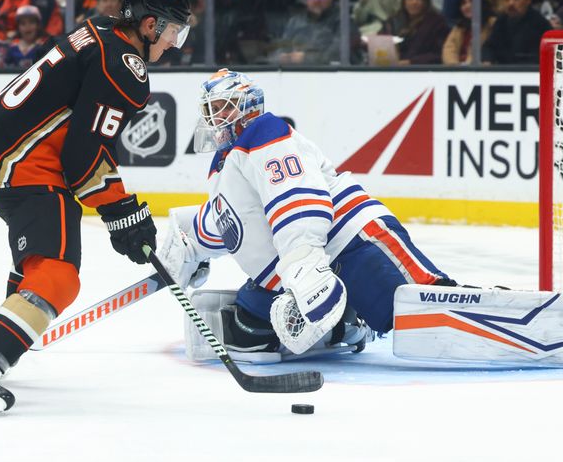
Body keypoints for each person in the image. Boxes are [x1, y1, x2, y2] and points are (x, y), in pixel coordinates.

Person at [0, 0, 190, 416]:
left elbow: (83, 146)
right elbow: (84, 156)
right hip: (23, 166)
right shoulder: (126, 67)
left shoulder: (98, 30)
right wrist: (121, 211)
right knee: (58, 274)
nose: (173, 42)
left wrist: (119, 210)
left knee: (44, 253)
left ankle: (12, 322)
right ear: (149, 25)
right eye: (172, 30)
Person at [156, 68, 455, 361]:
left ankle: (464, 309)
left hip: (349, 242)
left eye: (223, 107)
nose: (214, 117)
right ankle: (344, 323)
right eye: (211, 109)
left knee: (415, 309)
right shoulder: (224, 166)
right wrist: (190, 242)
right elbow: (236, 220)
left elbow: (296, 197)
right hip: (296, 275)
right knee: (248, 330)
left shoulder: (263, 132)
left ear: (247, 106)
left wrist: (303, 264)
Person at [270, 0, 341, 66]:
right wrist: (282, 57)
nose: (316, 1)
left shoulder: (343, 22)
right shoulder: (294, 22)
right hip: (295, 74)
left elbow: (335, 54)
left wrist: (305, 58)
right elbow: (280, 51)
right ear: (305, 0)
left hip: (328, 75)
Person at [482, 0, 551, 64]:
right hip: (503, 73)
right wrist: (487, 60)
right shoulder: (501, 21)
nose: (511, 3)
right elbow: (488, 47)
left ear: (528, 0)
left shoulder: (539, 24)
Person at [385, 0, 449, 66]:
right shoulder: (393, 21)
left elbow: (439, 54)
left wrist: (411, 62)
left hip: (423, 72)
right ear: (404, 0)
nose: (414, 2)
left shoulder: (437, 23)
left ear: (426, 1)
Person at [442, 0, 494, 65]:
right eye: (463, 3)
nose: (467, 6)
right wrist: (455, 68)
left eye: (472, 1)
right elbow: (448, 50)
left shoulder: (492, 24)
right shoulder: (459, 28)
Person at [4, 4, 47, 68]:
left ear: (38, 25)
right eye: (23, 23)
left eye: (31, 22)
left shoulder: (45, 46)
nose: (27, 27)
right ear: (18, 27)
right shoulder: (12, 47)